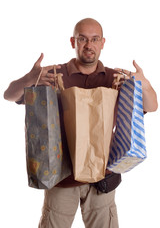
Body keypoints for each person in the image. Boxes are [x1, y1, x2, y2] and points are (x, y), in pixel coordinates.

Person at [4, 18, 158, 228]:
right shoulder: (53, 74)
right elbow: (9, 95)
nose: (89, 45)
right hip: (61, 177)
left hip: (103, 177)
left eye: (94, 39)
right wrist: (30, 79)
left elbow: (152, 106)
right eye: (82, 39)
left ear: (103, 43)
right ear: (73, 42)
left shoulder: (115, 78)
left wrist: (145, 84)